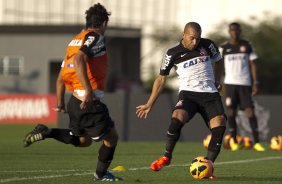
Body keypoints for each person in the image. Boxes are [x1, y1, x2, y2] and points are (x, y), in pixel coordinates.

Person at [23, 3, 122, 182]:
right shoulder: (95, 37)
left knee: (84, 141)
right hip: (87, 101)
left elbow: (62, 76)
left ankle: (47, 132)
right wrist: (89, 91)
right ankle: (100, 175)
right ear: (104, 23)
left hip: (73, 102)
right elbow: (79, 60)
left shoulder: (75, 40)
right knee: (112, 137)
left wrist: (60, 101)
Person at [136, 22, 226, 179]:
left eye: (198, 39)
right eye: (192, 38)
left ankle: (208, 167)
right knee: (177, 117)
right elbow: (161, 79)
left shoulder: (208, 44)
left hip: (210, 95)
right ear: (184, 35)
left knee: (219, 127)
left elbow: (219, 61)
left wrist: (218, 80)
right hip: (188, 95)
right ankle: (166, 156)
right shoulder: (172, 53)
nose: (195, 42)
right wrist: (150, 103)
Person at [219, 22, 265, 151]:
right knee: (231, 112)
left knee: (250, 112)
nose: (235, 32)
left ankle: (257, 142)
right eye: (232, 30)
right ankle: (233, 141)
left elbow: (253, 64)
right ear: (229, 31)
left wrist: (255, 83)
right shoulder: (223, 47)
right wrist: (219, 82)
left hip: (245, 83)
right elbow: (219, 66)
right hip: (230, 84)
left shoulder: (247, 45)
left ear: (240, 31)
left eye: (237, 30)